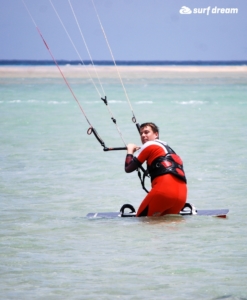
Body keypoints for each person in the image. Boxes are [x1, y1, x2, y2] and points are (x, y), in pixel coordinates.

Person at [125, 122, 187, 217]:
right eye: (141, 133)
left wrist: (130, 151)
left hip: (164, 192)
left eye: (146, 132)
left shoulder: (149, 144)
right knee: (167, 227)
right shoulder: (168, 149)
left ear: (156, 134)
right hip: (181, 196)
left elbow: (128, 168)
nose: (143, 135)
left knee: (143, 221)